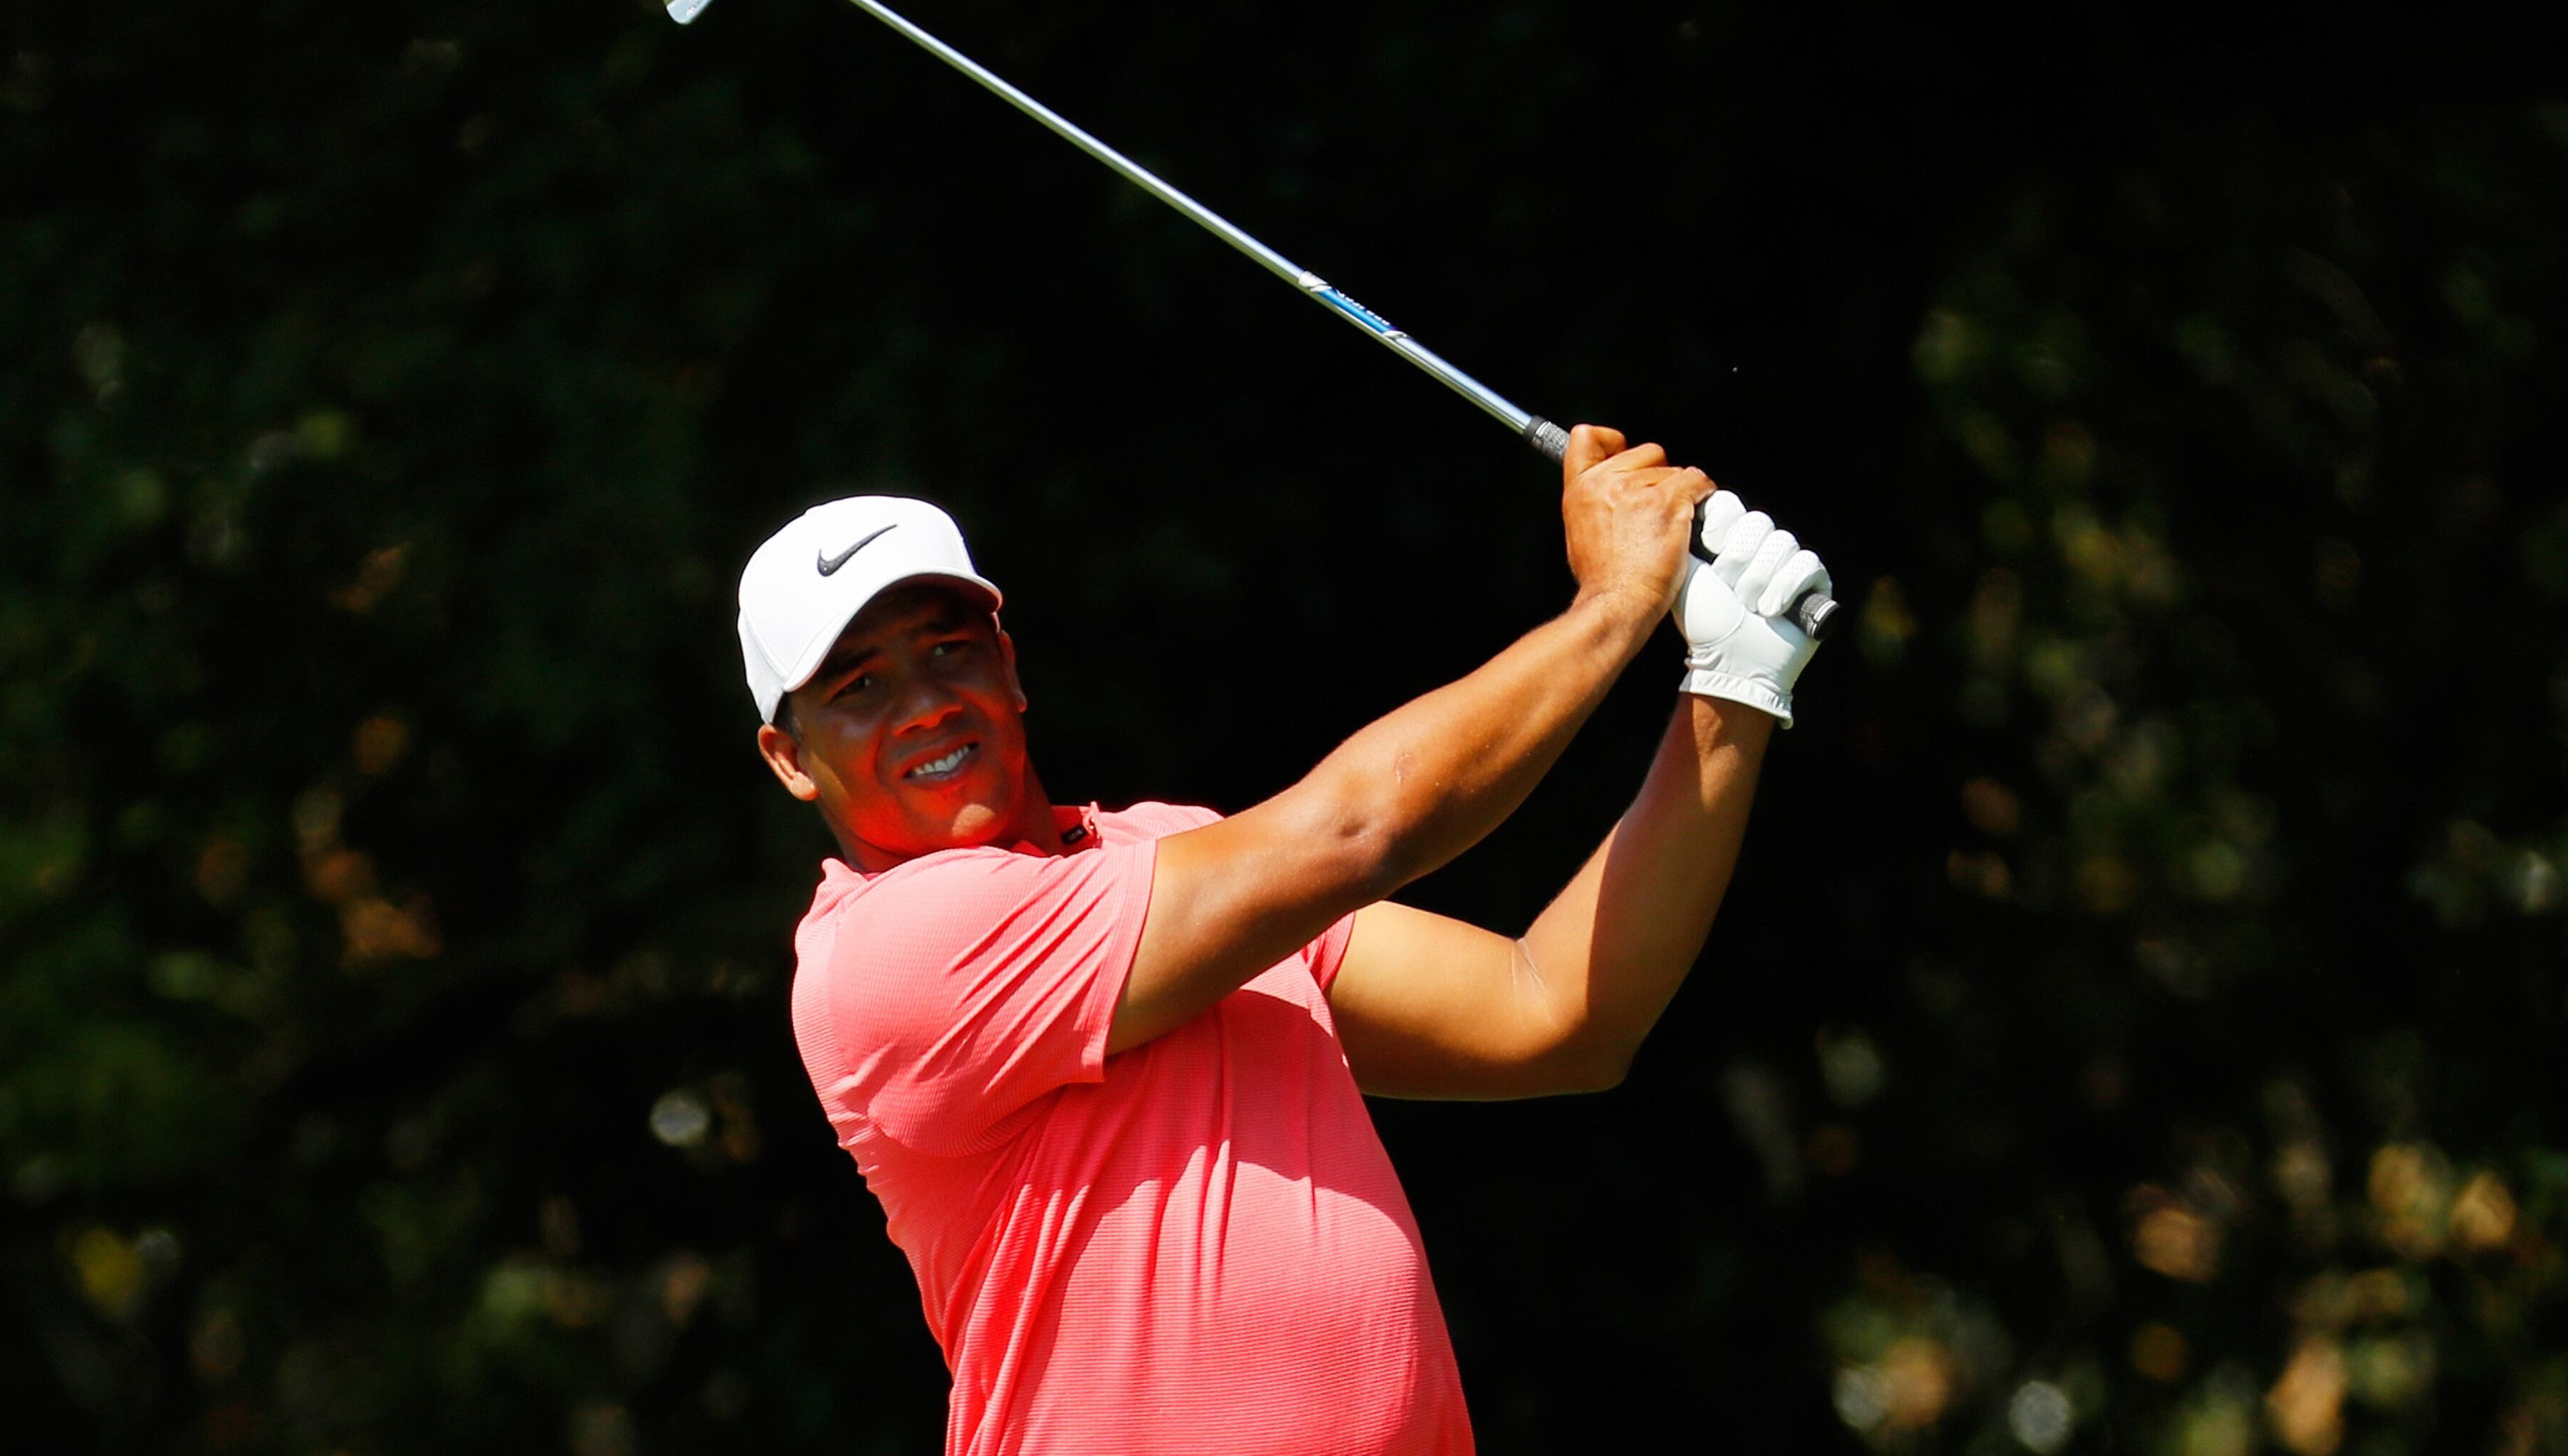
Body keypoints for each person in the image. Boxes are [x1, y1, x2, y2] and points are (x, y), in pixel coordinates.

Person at [737, 427, 1830, 1455]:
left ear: (1010, 665)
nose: (926, 704)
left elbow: (1554, 1011)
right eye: (861, 686)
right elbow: (1362, 827)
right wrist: (1616, 604)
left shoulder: (1170, 857)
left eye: (947, 648)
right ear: (790, 758)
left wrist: (1732, 688)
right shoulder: (885, 952)